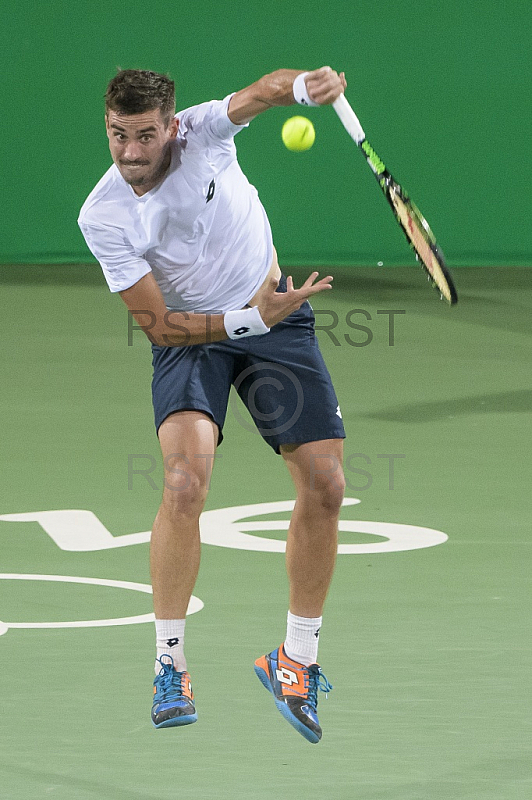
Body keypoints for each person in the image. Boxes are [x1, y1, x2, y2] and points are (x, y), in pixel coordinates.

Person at [78, 65, 347, 744]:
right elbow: (161, 326)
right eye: (118, 136)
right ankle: (170, 666)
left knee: (326, 485)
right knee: (183, 483)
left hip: (273, 313)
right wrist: (248, 321)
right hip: (195, 336)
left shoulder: (204, 133)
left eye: (144, 135)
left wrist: (307, 86)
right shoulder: (103, 215)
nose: (131, 152)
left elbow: (262, 91)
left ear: (171, 126)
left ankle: (296, 660)